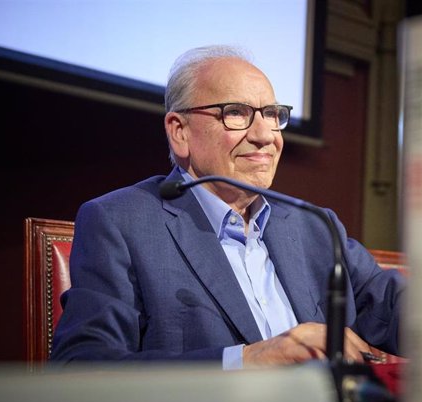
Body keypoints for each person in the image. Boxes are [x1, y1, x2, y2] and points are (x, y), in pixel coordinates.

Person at [50, 45, 403, 368]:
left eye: (272, 114)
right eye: (236, 113)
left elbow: (394, 306)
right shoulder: (120, 222)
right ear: (180, 132)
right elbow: (83, 366)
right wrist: (247, 360)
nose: (265, 135)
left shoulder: (314, 226)